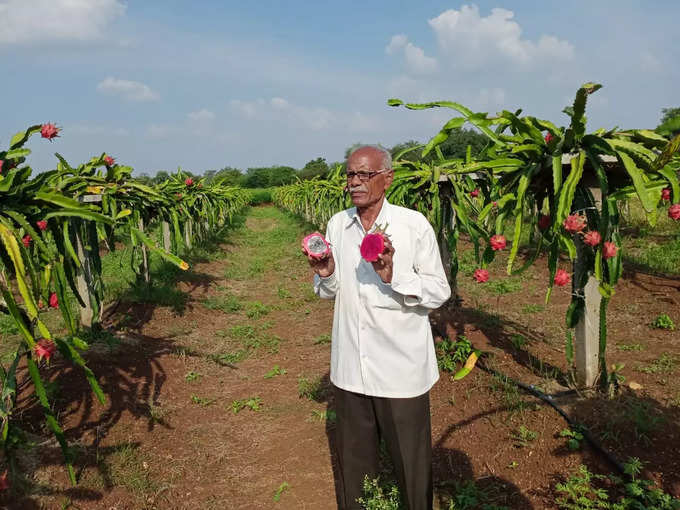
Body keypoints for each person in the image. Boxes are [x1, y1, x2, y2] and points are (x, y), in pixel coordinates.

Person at [303, 145, 451, 510]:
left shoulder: (412, 225)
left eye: (364, 174)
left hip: (400, 368)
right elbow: (332, 291)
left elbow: (438, 290)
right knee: (356, 466)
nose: (355, 182)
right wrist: (326, 272)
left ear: (388, 178)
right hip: (351, 366)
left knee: (411, 467)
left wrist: (393, 276)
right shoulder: (339, 224)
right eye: (350, 175)